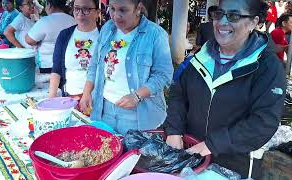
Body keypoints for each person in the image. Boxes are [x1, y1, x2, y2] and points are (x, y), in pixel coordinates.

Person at [164, 0, 286, 179]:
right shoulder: (201, 56)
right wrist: (174, 130)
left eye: (234, 16)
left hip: (235, 165)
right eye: (219, 13)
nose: (222, 22)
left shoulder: (268, 67)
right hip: (190, 153)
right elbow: (179, 94)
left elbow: (264, 122)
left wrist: (212, 145)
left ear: (254, 22)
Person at [79, 0, 173, 135]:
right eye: (112, 9)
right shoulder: (107, 29)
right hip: (103, 108)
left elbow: (163, 75)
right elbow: (95, 64)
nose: (116, 16)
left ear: (138, 8)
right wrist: (87, 92)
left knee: (133, 155)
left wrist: (137, 96)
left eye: (123, 10)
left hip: (137, 113)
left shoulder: (155, 34)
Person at [49, 0, 100, 99]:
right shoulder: (64, 35)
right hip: (70, 97)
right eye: (76, 9)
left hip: (98, 99)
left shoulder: (105, 35)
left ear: (97, 12)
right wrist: (51, 97)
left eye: (86, 9)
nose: (80, 14)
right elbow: (57, 69)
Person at [25, 0, 76, 74]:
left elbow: (29, 40)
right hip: (67, 62)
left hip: (47, 64)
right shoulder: (73, 20)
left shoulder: (45, 21)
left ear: (50, 5)